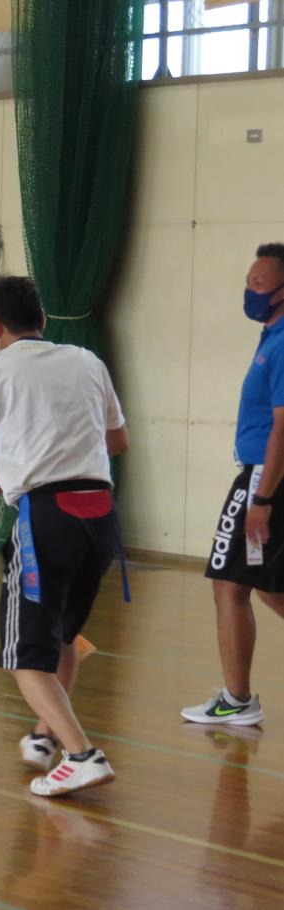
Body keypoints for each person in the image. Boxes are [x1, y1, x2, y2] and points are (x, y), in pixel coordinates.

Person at [0, 276, 128, 797]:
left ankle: (83, 754)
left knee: (23, 658)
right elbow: (118, 439)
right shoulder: (88, 361)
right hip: (100, 514)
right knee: (64, 636)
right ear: (42, 320)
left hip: (46, 518)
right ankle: (47, 736)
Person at [181, 243, 284, 729]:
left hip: (264, 478)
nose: (250, 291)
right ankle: (237, 698)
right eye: (248, 282)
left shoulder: (283, 342)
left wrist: (261, 495)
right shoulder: (271, 336)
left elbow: (283, 425)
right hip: (261, 476)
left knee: (231, 582)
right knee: (257, 585)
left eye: (259, 284)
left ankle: (237, 699)